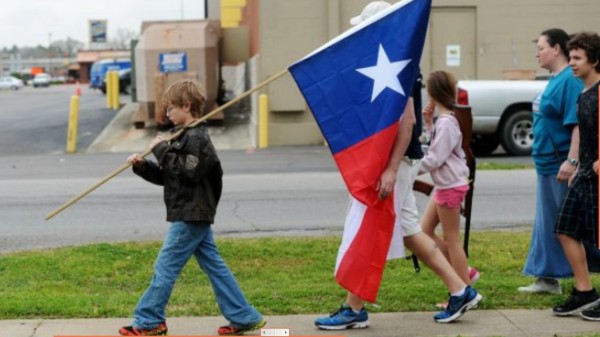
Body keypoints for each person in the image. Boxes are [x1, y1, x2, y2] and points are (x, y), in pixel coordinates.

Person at [314, 2, 482, 329]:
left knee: (367, 229)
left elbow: (406, 122)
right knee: (409, 231)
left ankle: (354, 308)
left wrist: (390, 168)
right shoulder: (393, 58)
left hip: (397, 162)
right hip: (400, 161)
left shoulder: (394, 60)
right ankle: (460, 290)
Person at [119, 80, 265, 336]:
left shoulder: (196, 138)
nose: (167, 114)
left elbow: (188, 172)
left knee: (165, 267)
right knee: (214, 267)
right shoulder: (183, 137)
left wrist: (161, 148)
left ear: (186, 106)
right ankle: (243, 317)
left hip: (192, 214)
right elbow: (170, 177)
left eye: (170, 108)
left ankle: (150, 322)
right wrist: (143, 165)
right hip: (189, 212)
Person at [518, 28, 584, 295]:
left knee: (564, 224)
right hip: (547, 163)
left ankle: (565, 280)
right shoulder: (557, 78)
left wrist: (572, 161)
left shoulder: (570, 80)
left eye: (541, 47)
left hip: (560, 165)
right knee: (547, 223)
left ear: (557, 49)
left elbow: (577, 123)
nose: (537, 53)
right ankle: (547, 277)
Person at [553, 31, 600, 320]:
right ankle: (584, 291)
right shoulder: (584, 92)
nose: (571, 63)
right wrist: (576, 165)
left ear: (595, 60)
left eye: (577, 58)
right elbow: (583, 132)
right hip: (585, 175)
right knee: (564, 229)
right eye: (570, 57)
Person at [419, 71, 472, 285]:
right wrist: (428, 123)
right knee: (424, 231)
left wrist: (408, 170)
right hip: (446, 185)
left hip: (450, 186)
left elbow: (435, 158)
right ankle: (464, 274)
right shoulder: (443, 121)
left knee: (452, 241)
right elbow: (440, 147)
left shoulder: (447, 122)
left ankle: (464, 288)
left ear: (431, 93)